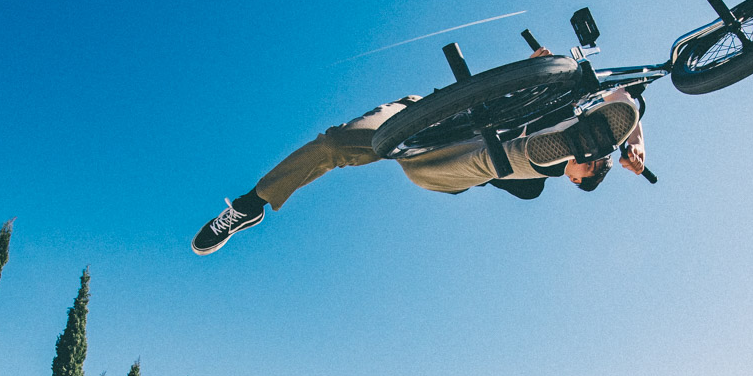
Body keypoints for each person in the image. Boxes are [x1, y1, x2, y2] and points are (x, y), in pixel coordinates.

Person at [192, 49, 647, 255]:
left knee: (513, 173)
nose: (592, 160)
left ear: (574, 174)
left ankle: (526, 154)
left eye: (584, 167)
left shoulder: (542, 179)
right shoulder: (565, 109)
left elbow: (575, 153)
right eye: (594, 158)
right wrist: (634, 141)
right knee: (334, 143)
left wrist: (581, 152)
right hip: (427, 111)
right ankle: (252, 205)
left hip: (448, 162)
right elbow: (625, 92)